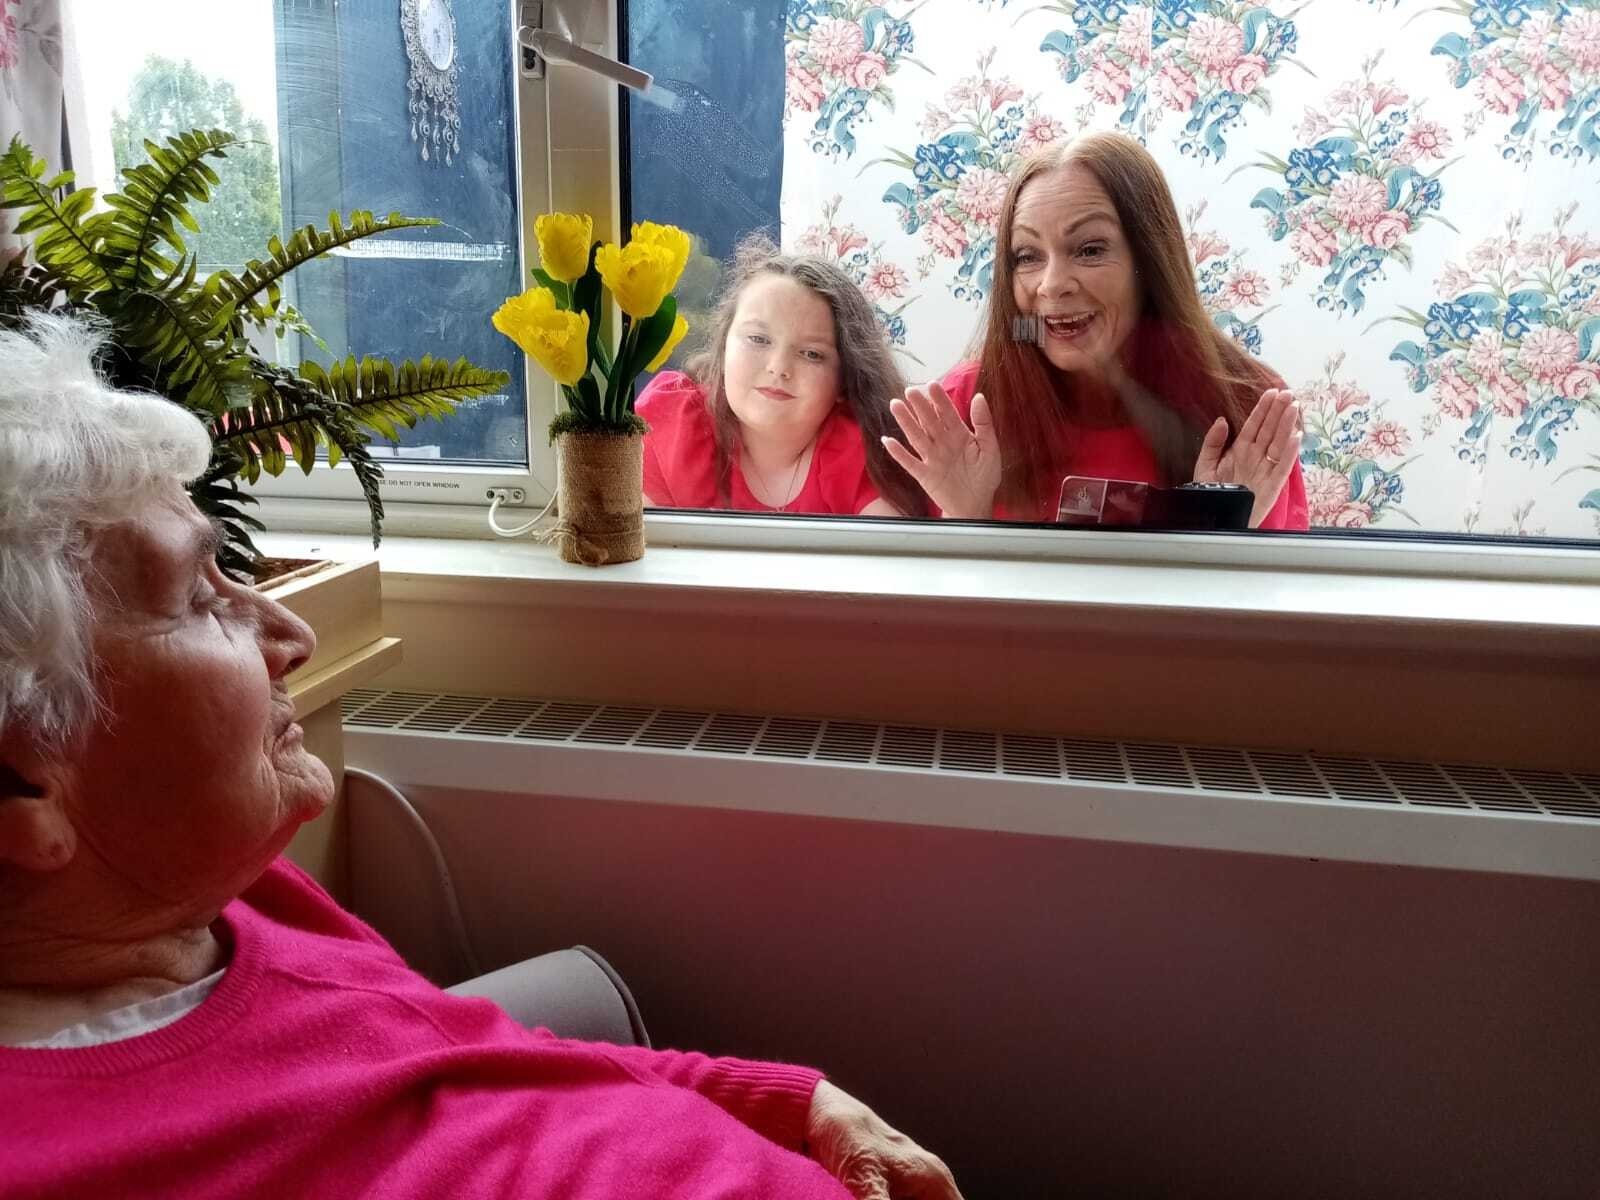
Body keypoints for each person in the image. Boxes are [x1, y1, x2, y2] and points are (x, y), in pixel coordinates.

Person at [0, 312, 961, 1200]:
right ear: (29, 781)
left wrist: (778, 1103)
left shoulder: (230, 896)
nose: (289, 635)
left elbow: (462, 1056)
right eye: (200, 600)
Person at [884, 133, 1310, 530]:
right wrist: (968, 519)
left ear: (1150, 263)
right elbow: (927, 607)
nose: (1051, 284)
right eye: (1028, 256)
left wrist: (1222, 528)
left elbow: (1278, 604)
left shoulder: (1248, 408)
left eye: (1089, 250)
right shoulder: (963, 407)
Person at [640, 236, 929, 517]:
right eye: (758, 339)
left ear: (844, 380)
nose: (779, 367)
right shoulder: (675, 426)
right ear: (723, 347)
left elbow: (888, 558)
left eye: (811, 354)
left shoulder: (863, 451)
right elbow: (630, 546)